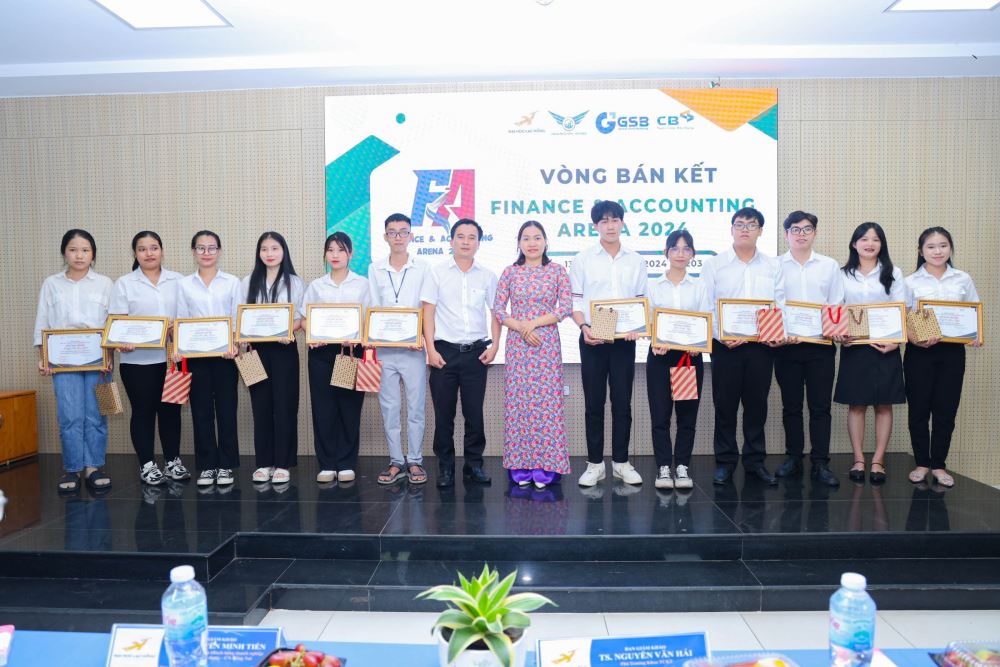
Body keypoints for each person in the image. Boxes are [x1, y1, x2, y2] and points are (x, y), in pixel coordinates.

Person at [701, 207, 786, 486]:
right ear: (731, 229)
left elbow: (779, 304)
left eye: (751, 225)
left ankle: (755, 462)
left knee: (756, 406)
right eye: (740, 224)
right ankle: (725, 462)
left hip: (761, 346)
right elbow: (706, 306)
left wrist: (776, 332)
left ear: (760, 231)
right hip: (726, 346)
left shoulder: (773, 266)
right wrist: (720, 335)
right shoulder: (714, 265)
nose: (745, 229)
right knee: (724, 406)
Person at [570, 200, 648, 487]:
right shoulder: (583, 259)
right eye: (604, 221)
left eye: (615, 220)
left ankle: (621, 462)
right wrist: (584, 327)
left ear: (622, 223)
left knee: (622, 403)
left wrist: (637, 328)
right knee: (593, 403)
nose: (610, 225)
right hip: (593, 337)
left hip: (624, 341)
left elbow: (642, 300)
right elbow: (575, 302)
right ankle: (595, 464)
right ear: (595, 226)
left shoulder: (636, 260)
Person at [421, 218, 500, 488]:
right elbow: (427, 314)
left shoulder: (487, 275)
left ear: (479, 243)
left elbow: (496, 314)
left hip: (476, 353)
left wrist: (495, 346)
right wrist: (430, 350)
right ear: (451, 240)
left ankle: (473, 466)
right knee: (443, 415)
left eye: (472, 237)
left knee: (474, 414)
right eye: (461, 236)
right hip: (443, 352)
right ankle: (445, 468)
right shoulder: (436, 273)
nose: (466, 241)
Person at [493, 220, 572, 489]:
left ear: (546, 241)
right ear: (519, 243)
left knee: (547, 405)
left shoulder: (557, 271)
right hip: (518, 345)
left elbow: (565, 307)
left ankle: (546, 465)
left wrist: (533, 324)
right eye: (526, 238)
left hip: (546, 344)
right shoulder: (510, 272)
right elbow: (498, 310)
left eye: (537, 237)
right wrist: (521, 327)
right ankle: (521, 464)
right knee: (519, 404)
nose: (532, 243)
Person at [34, 229, 113, 493]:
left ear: (93, 254)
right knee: (69, 416)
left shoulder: (105, 283)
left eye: (85, 250)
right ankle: (72, 468)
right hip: (63, 360)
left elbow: (113, 322)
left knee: (96, 414)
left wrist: (109, 356)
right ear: (64, 253)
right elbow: (42, 322)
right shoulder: (51, 284)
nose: (79, 255)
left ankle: (93, 467)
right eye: (73, 249)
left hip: (98, 359)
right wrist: (43, 357)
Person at [109, 231, 188, 485]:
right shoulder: (124, 283)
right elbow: (117, 322)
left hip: (172, 359)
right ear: (135, 253)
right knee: (143, 412)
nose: (149, 253)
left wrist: (179, 328)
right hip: (137, 361)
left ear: (162, 250)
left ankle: (173, 462)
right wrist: (122, 340)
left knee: (171, 411)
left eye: (154, 247)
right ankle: (147, 465)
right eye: (142, 249)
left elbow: (188, 316)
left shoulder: (178, 280)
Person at [904, 227, 980, 488]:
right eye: (931, 246)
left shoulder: (962, 279)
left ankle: (938, 465)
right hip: (919, 353)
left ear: (950, 248)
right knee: (918, 410)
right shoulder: (910, 282)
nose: (938, 251)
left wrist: (975, 335)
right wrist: (915, 339)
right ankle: (921, 463)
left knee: (946, 410)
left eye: (943, 245)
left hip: (952, 354)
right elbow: (902, 320)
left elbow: (973, 313)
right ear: (920, 251)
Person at [833, 222, 907, 484]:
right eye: (864, 239)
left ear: (881, 244)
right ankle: (858, 459)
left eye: (875, 239)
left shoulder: (893, 273)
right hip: (854, 347)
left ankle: (878, 460)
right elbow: (835, 309)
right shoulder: (842, 275)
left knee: (884, 405)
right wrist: (839, 333)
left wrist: (896, 342)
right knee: (857, 404)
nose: (870, 244)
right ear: (854, 244)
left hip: (886, 347)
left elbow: (901, 308)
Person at [774, 212, 844, 488]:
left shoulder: (829, 266)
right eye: (795, 229)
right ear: (786, 234)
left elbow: (836, 303)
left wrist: (833, 328)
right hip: (786, 346)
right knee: (791, 406)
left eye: (807, 229)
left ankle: (820, 462)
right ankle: (793, 458)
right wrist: (780, 332)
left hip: (821, 346)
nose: (801, 234)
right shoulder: (775, 266)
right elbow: (772, 304)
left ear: (815, 233)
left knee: (820, 407)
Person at [176, 230, 241, 487]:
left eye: (211, 248)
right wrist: (180, 346)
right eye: (201, 248)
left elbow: (236, 318)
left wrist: (233, 343)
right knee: (201, 411)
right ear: (193, 251)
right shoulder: (184, 284)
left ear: (219, 251)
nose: (206, 253)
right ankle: (207, 466)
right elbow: (181, 319)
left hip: (225, 356)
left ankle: (225, 465)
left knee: (226, 411)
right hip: (196, 357)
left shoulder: (232, 282)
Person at [368, 213, 429, 486]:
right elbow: (373, 305)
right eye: (392, 232)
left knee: (415, 408)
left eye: (403, 232)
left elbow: (427, 308)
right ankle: (396, 461)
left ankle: (414, 460)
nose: (398, 237)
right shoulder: (375, 268)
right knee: (390, 408)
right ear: (385, 237)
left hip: (413, 350)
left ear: (411, 236)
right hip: (384, 349)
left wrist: (422, 337)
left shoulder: (423, 268)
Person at [303, 231, 370, 484]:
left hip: (351, 352)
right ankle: (327, 463)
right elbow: (305, 319)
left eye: (341, 250)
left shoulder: (363, 284)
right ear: (325, 254)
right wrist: (312, 334)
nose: (335, 255)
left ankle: (346, 462)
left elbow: (369, 319)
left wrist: (358, 336)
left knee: (349, 408)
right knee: (323, 408)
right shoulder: (316, 286)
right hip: (321, 353)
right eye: (330, 250)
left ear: (350, 254)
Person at [646, 230, 709, 490]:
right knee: (660, 415)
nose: (680, 254)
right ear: (666, 253)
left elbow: (705, 318)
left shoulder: (699, 286)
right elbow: (649, 320)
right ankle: (663, 467)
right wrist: (654, 339)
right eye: (675, 248)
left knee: (687, 416)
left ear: (693, 254)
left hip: (689, 358)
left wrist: (698, 343)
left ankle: (682, 466)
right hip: (660, 357)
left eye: (686, 249)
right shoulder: (653, 286)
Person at [241, 231, 304, 485]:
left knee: (285, 406)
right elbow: (240, 315)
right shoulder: (248, 281)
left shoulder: (294, 282)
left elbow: (299, 318)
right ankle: (264, 462)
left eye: (275, 248)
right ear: (259, 253)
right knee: (261, 406)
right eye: (264, 249)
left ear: (283, 251)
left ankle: (283, 463)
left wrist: (289, 331)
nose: (269, 254)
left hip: (284, 349)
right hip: (255, 351)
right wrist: (242, 336)